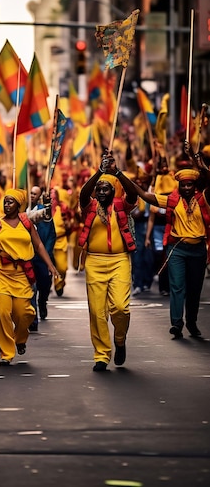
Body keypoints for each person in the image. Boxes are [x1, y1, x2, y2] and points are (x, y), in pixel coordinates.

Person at [0, 188, 59, 366]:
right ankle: (6, 353)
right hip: (0, 272)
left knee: (24, 313)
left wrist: (50, 265)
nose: (6, 204)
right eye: (6, 201)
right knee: (2, 313)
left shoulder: (27, 222)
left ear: (19, 205)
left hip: (22, 274)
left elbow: (39, 245)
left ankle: (20, 338)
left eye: (10, 202)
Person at [132, 165, 210, 339]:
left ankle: (191, 322)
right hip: (177, 250)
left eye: (190, 184)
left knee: (194, 289)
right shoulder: (171, 200)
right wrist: (119, 175)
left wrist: (199, 162)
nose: (187, 188)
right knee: (177, 287)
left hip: (198, 251)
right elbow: (145, 196)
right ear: (179, 186)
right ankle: (176, 323)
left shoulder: (204, 199)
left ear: (195, 185)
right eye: (183, 185)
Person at [78, 151, 138, 372]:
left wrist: (117, 172)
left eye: (106, 189)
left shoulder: (123, 206)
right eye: (99, 189)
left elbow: (133, 193)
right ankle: (101, 355)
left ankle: (120, 340)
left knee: (121, 308)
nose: (101, 192)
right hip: (94, 262)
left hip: (120, 261)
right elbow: (83, 194)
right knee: (97, 312)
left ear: (113, 192)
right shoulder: (90, 206)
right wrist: (99, 172)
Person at [27, 186, 56, 328]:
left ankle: (43, 302)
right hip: (27, 256)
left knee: (44, 284)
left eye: (35, 194)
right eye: (30, 193)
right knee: (31, 287)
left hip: (42, 256)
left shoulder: (43, 213)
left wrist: (48, 254)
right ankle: (33, 319)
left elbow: (51, 234)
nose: (32, 195)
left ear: (39, 197)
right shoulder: (21, 211)